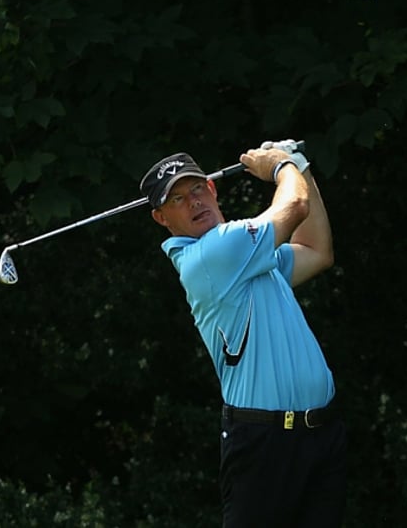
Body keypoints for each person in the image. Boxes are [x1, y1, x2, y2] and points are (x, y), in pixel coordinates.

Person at [139, 142, 346, 527]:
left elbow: (316, 251)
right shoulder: (211, 255)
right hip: (264, 442)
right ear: (161, 218)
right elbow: (295, 207)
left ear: (213, 189)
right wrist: (283, 165)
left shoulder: (248, 258)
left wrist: (303, 169)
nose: (194, 202)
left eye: (197, 189)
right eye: (178, 199)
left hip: (321, 433)